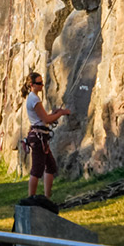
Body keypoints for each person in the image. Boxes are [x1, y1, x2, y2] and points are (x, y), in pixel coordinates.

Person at [23, 72, 70, 200]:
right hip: (39, 138)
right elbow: (47, 119)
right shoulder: (34, 99)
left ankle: (47, 197)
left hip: (41, 136)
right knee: (37, 170)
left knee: (51, 166)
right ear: (32, 85)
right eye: (39, 83)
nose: (42, 85)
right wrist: (61, 113)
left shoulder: (33, 98)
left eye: (42, 82)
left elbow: (44, 118)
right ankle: (31, 198)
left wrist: (55, 113)